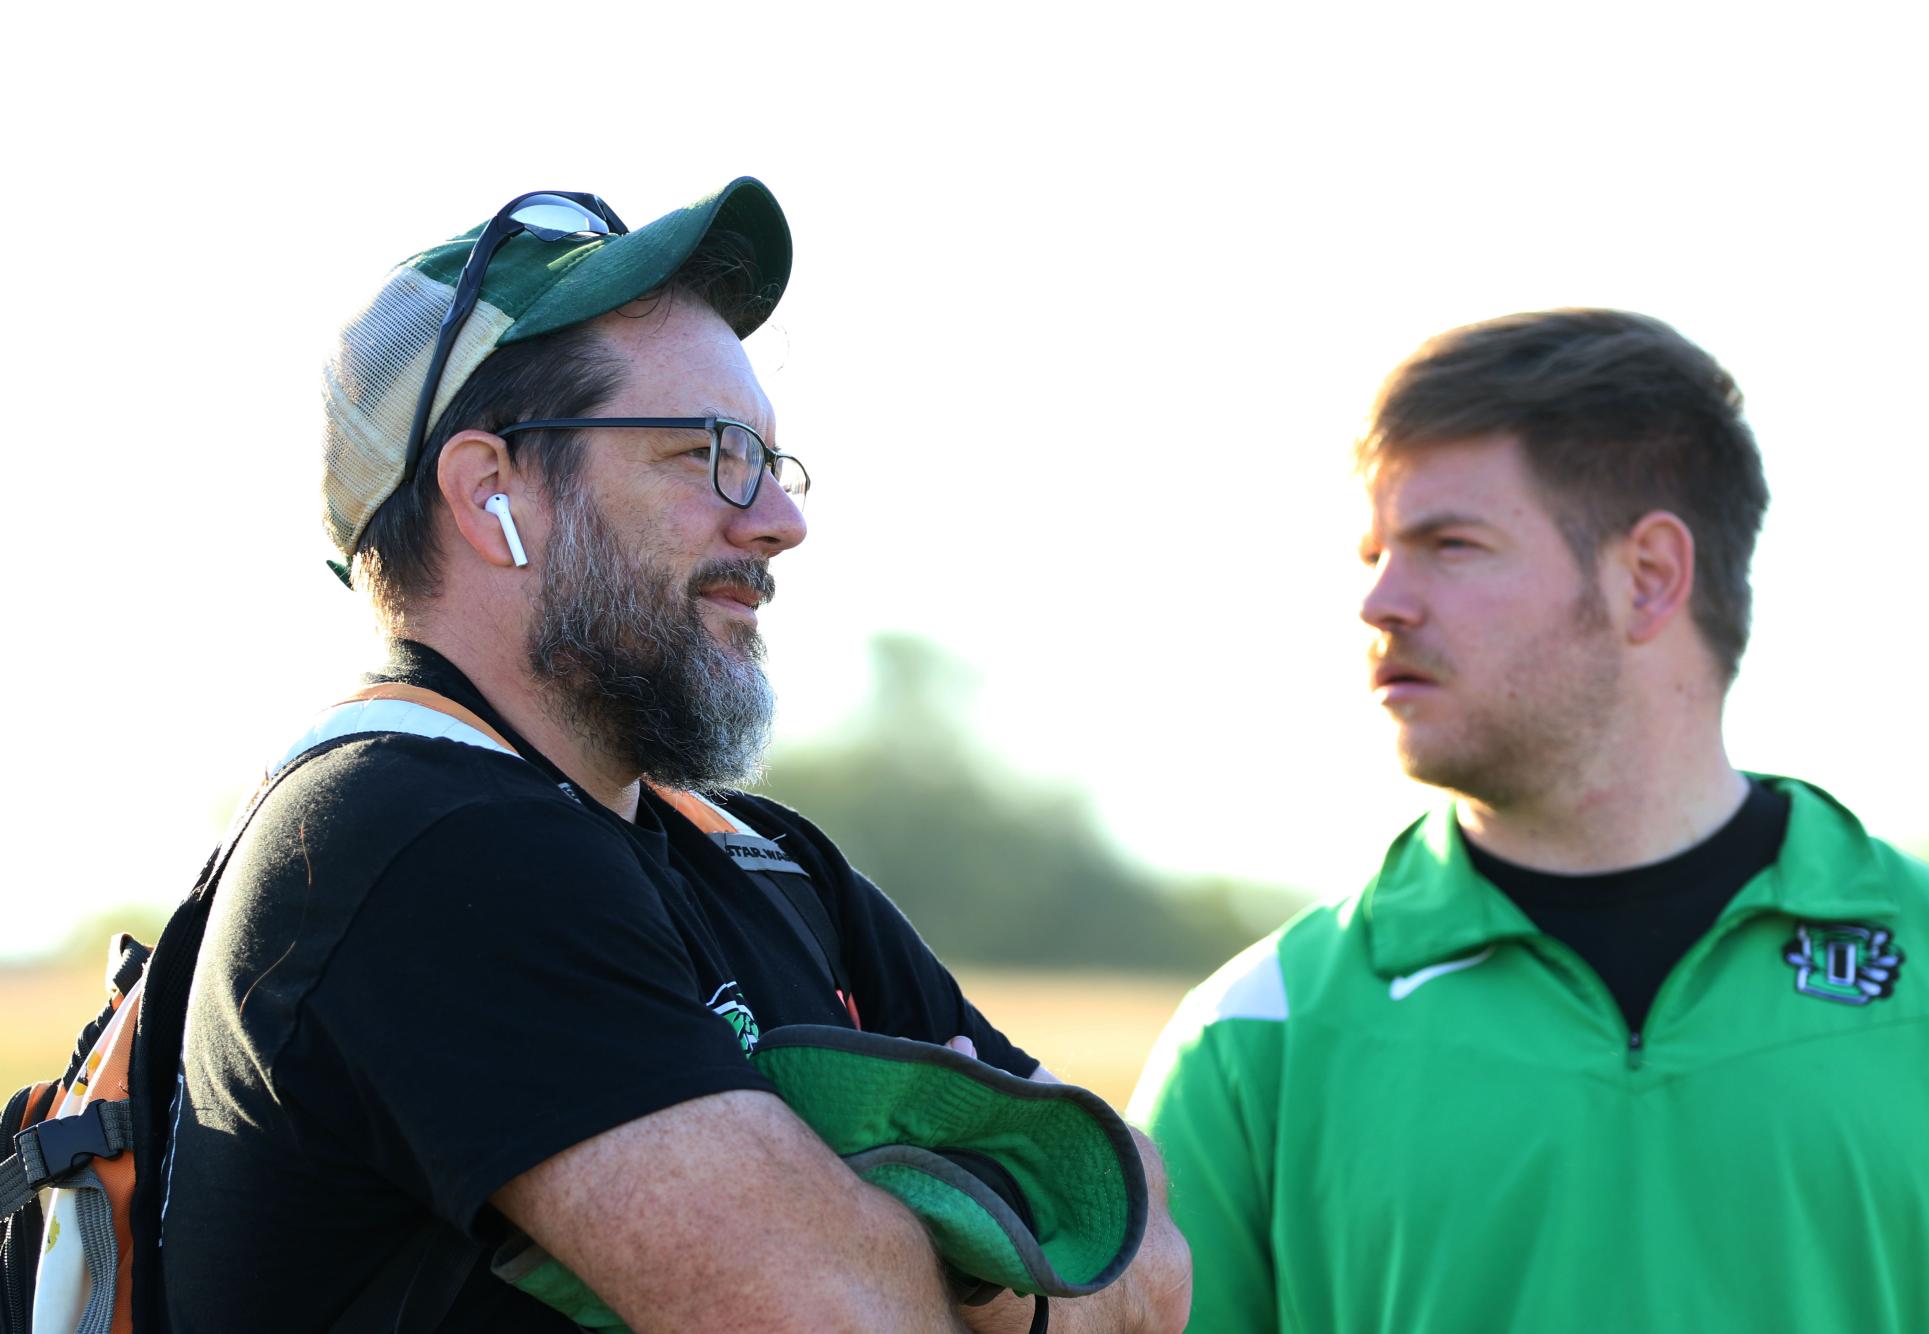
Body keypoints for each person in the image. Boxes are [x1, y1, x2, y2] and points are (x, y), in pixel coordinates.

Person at [161, 181, 1190, 1332]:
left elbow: (1149, 1243)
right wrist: (985, 1232)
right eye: (708, 452)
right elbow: (843, 1318)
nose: (777, 520)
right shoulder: (413, 842)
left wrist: (873, 1227)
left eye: (768, 460)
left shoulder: (766, 864)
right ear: (493, 492)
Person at [1129, 308, 1929, 1332]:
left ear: (1648, 578)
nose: (1380, 600)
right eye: (1374, 550)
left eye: (1448, 543)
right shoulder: (1257, 1034)